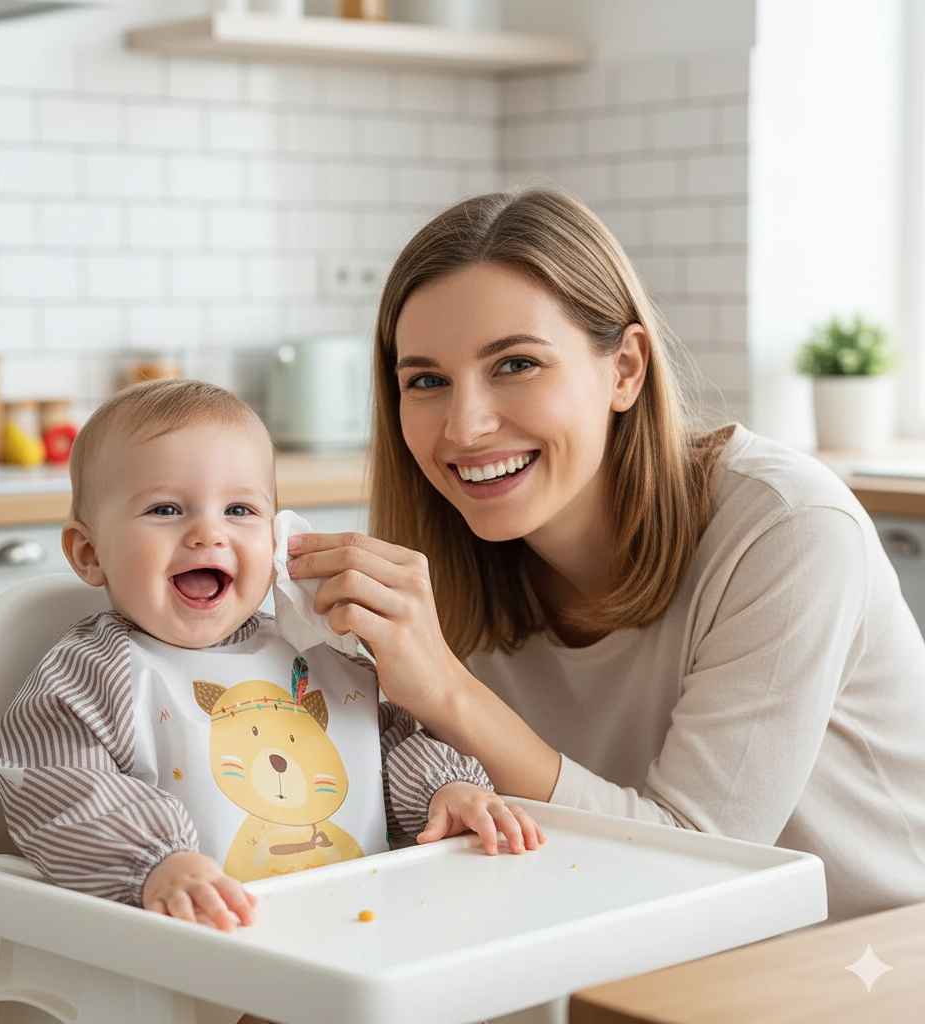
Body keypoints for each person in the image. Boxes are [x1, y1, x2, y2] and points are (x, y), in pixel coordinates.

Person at [285, 187, 925, 923]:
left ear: (624, 369)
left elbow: (696, 865)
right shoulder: (448, 563)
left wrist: (447, 692)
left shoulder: (788, 530)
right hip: (615, 941)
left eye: (516, 364)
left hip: (865, 960)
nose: (465, 427)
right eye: (427, 381)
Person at [0, 378, 543, 939]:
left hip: (365, 930)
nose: (208, 532)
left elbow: (386, 744)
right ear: (88, 553)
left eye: (239, 509)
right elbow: (55, 786)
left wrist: (444, 791)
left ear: (276, 538)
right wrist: (154, 862)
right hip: (202, 951)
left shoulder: (317, 649)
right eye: (165, 508)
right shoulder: (94, 672)